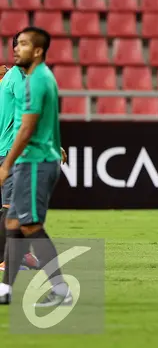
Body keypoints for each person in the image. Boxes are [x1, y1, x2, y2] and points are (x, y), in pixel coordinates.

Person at [0, 27, 70, 306]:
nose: (16, 49)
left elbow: (27, 128)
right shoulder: (37, 78)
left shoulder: (34, 81)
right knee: (14, 223)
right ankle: (5, 290)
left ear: (38, 51)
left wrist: (7, 165)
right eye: (16, 44)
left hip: (34, 161)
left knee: (29, 226)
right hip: (34, 158)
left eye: (24, 45)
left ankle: (61, 289)